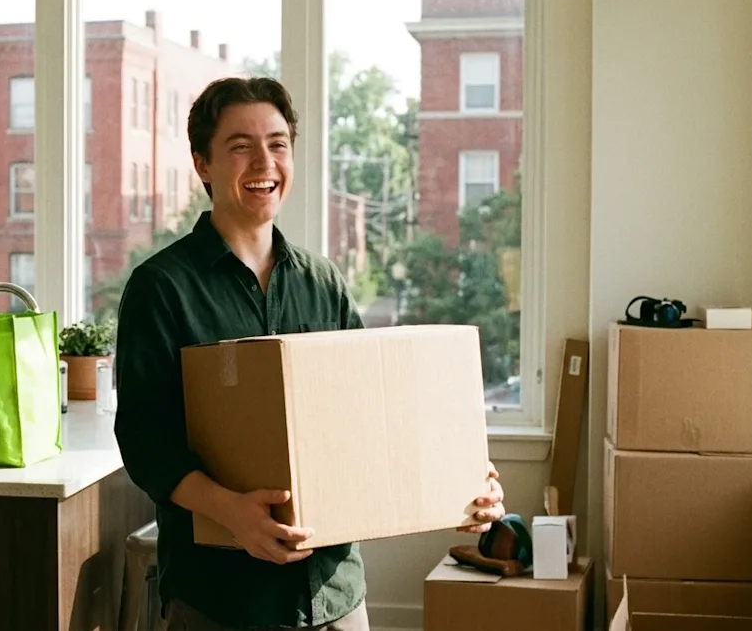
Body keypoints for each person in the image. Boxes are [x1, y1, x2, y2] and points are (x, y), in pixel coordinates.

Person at [113, 77, 506, 631]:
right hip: (222, 602)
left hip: (335, 594)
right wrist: (231, 512)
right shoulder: (161, 288)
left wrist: (460, 480)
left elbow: (374, 418)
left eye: (277, 144)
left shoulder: (323, 283)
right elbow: (145, 442)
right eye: (241, 146)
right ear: (203, 163)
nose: (264, 163)